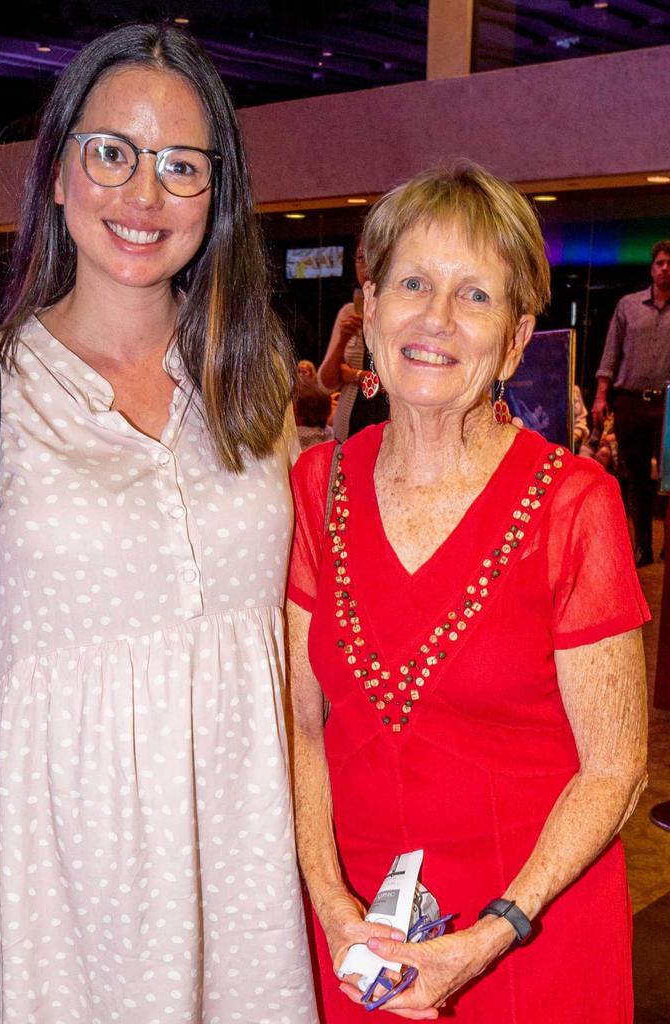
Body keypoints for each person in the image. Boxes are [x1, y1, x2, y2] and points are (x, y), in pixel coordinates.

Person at [0, 24, 317, 1024]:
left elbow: (302, 637)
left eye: (181, 166)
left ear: (217, 196)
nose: (143, 195)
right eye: (112, 153)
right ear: (57, 172)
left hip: (241, 853)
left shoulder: (255, 381)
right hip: (61, 865)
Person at [287, 163, 649, 1022]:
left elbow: (616, 767)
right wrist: (333, 908)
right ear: (369, 309)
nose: (436, 319)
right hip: (361, 946)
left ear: (518, 339)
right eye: (412, 282)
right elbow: (299, 727)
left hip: (530, 936)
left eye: (475, 295)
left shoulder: (573, 505)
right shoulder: (315, 485)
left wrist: (492, 933)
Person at [593, 241, 670, 565]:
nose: (666, 268)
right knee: (636, 479)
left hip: (669, 406)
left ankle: (669, 547)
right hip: (631, 402)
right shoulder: (628, 305)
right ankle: (642, 547)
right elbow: (611, 351)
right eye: (661, 263)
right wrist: (600, 394)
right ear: (652, 268)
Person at [316, 243, 388, 442]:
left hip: (389, 428)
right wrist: (342, 341)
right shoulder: (349, 312)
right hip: (348, 429)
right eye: (360, 258)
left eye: (372, 256)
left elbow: (401, 384)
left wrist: (356, 375)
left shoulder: (400, 313)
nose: (366, 266)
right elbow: (325, 384)